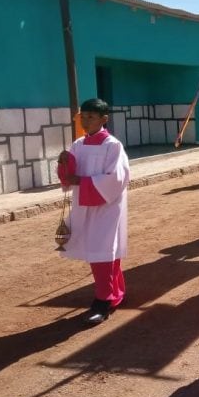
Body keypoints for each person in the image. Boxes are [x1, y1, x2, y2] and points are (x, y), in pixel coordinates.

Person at [57, 98, 130, 325]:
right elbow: (69, 175)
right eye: (83, 117)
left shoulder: (112, 146)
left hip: (106, 206)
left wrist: (81, 180)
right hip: (84, 203)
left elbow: (116, 179)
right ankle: (115, 291)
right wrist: (64, 163)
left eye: (91, 117)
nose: (86, 121)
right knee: (101, 250)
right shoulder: (78, 144)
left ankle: (103, 301)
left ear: (104, 119)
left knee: (102, 250)